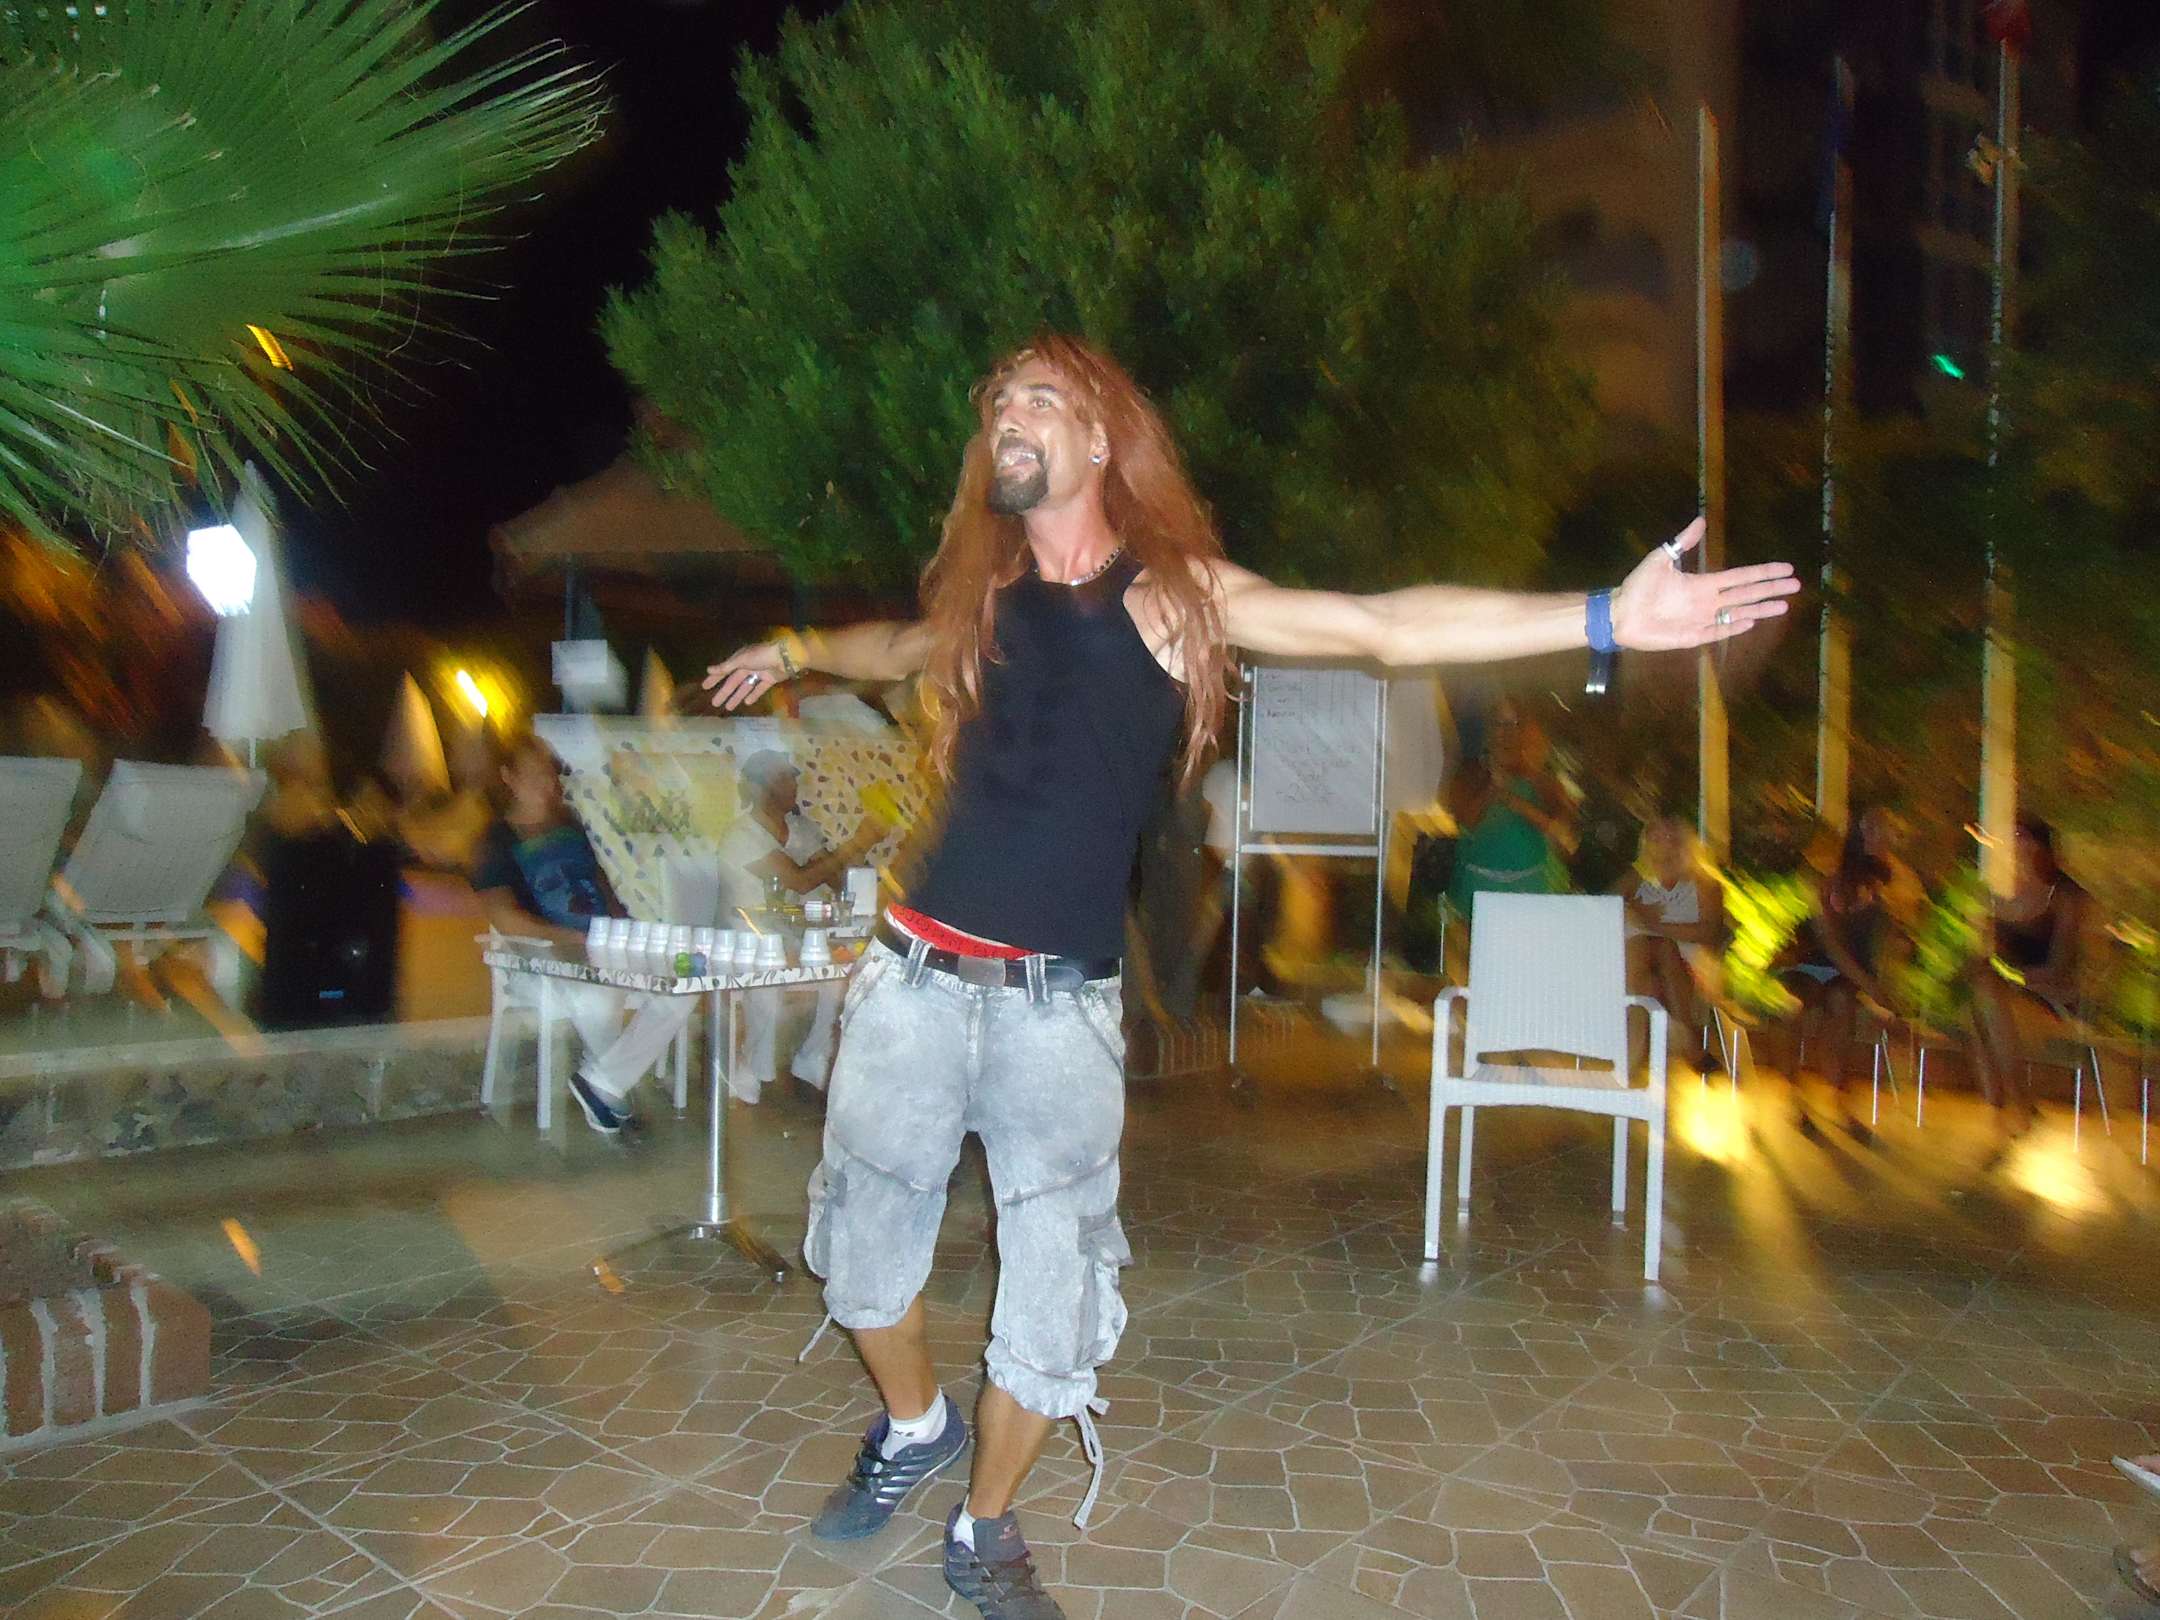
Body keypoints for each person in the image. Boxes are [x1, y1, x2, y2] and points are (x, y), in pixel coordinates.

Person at [702, 333, 1796, 1620]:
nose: (1008, 414)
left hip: (1057, 1011)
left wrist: (1603, 617)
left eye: (1041, 398)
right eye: (998, 400)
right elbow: (892, 647)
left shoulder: (1171, 599)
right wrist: (795, 646)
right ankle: (915, 1425)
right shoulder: (985, 599)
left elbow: (1380, 627)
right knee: (862, 1259)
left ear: (1099, 440)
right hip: (911, 984)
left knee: (1053, 1301)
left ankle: (985, 1521)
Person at [471, 733, 695, 1132]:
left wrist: (628, 932)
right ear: (508, 776)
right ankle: (608, 1087)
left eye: (548, 773)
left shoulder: (572, 825)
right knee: (595, 995)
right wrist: (571, 939)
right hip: (540, 954)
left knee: (684, 982)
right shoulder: (495, 840)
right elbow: (505, 918)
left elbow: (604, 891)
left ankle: (603, 1083)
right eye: (533, 773)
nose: (545, 782)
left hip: (600, 945)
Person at [715, 750, 883, 1104]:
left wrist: (860, 851)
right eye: (784, 779)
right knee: (771, 973)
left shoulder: (801, 829)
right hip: (745, 936)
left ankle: (812, 1055)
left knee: (839, 973)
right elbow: (800, 880)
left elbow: (835, 878)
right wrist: (855, 843)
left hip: (794, 933)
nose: (793, 785)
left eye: (792, 778)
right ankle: (750, 1063)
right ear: (760, 787)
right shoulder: (740, 835)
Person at [1965, 815, 2090, 1164]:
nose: (2013, 845)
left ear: (2040, 845)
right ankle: (2012, 1109)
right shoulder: (2000, 892)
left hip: (2053, 996)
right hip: (2006, 995)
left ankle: (2008, 1109)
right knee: (1981, 1003)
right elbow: (1984, 954)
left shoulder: (2064, 896)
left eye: (2021, 837)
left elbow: (2059, 967)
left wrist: (2013, 979)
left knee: (1987, 1007)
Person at [1778, 821, 1891, 1141]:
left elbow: (1883, 946)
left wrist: (1880, 984)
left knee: (1841, 1002)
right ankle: (1796, 1096)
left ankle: (1839, 1098)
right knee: (1804, 1005)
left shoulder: (1880, 884)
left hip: (1847, 973)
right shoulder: (1823, 887)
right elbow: (1830, 945)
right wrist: (1871, 986)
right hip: (1812, 963)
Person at [1445, 696, 1576, 931]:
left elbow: (1564, 835)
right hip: (1477, 892)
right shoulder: (1469, 774)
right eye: (1500, 723)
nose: (1507, 733)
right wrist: (1492, 789)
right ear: (1489, 729)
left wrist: (1516, 802)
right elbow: (1465, 821)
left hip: (1528, 893)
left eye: (1515, 724)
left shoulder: (1543, 781)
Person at [1610, 815, 1724, 1066]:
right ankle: (1688, 1044)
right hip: (1642, 960)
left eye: (1668, 836)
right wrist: (1636, 910)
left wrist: (1653, 925)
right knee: (1647, 971)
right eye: (1654, 836)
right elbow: (1605, 907)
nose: (1661, 843)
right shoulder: (1636, 879)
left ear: (1683, 841)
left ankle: (1633, 1058)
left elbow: (1709, 932)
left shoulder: (1704, 882)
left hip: (1690, 961)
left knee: (1660, 948)